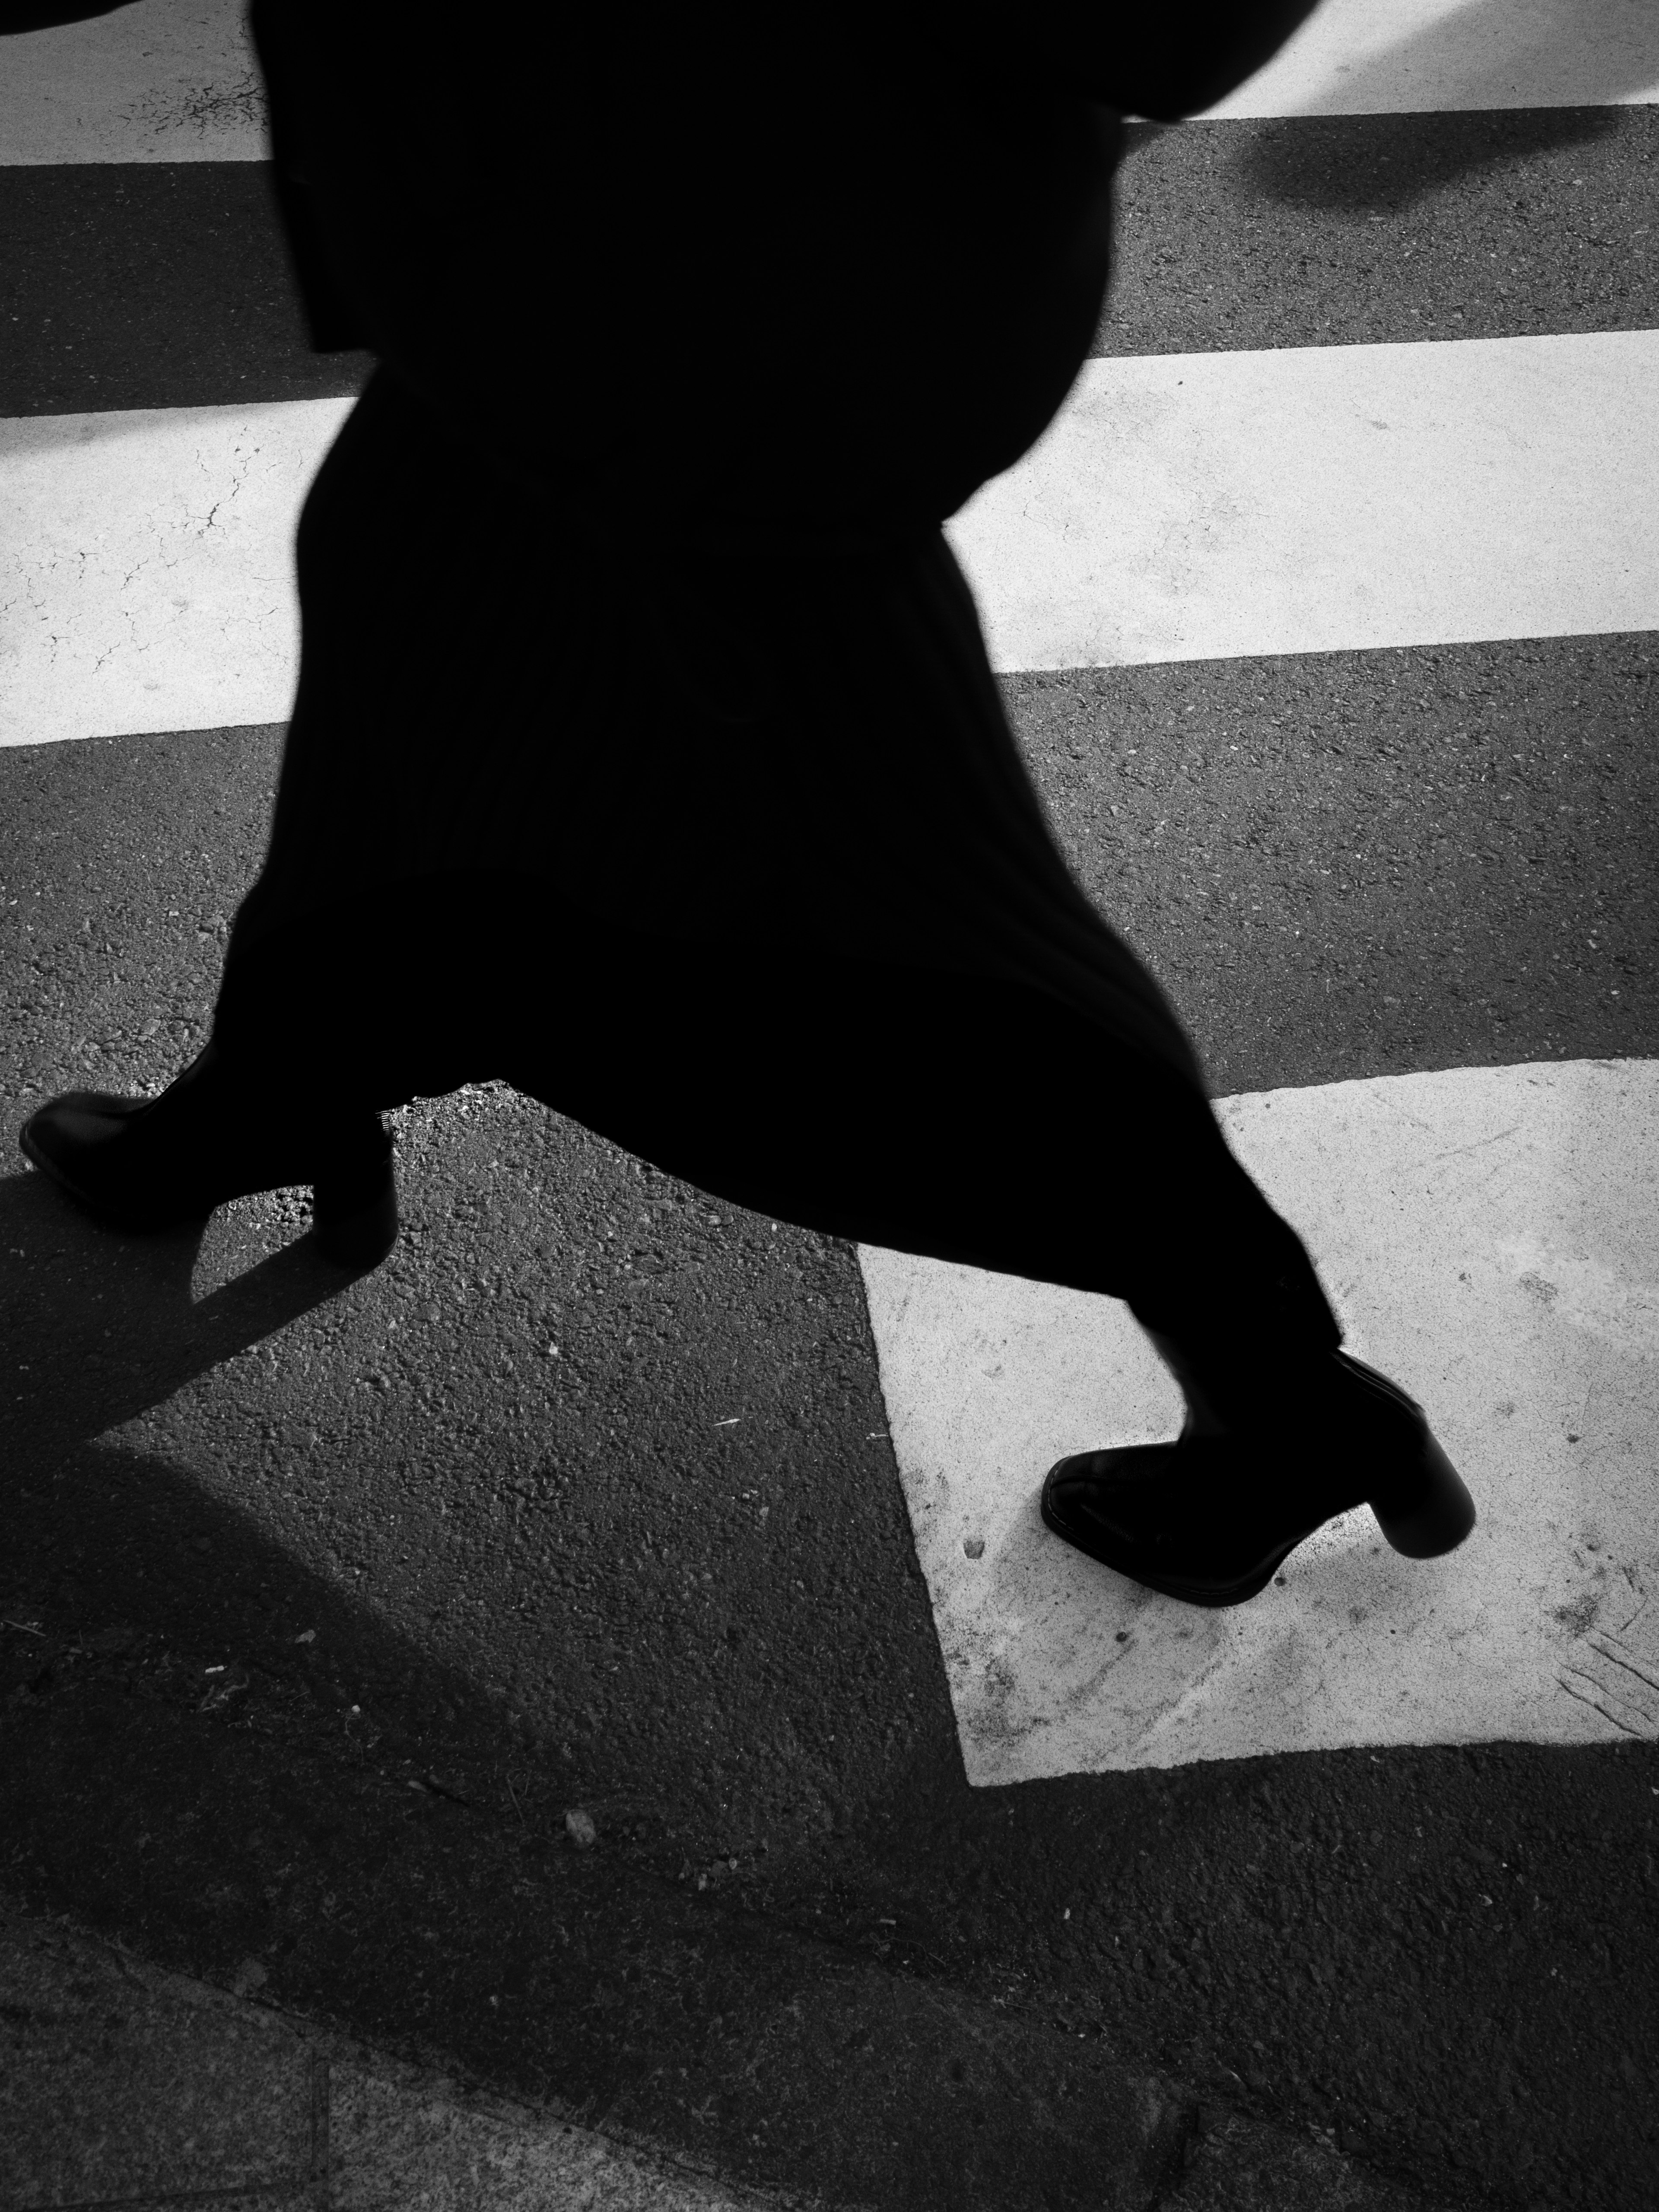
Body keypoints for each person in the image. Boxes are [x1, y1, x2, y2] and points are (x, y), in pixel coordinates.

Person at [14, 0, 1475, 1607]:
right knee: (416, 627)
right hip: (576, 255)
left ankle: (1281, 1406)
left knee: (871, 924)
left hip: (739, 318)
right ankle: (276, 1090)